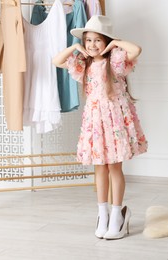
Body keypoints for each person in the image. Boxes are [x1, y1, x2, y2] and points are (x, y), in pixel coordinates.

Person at [53, 15, 148, 240]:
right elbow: (57, 61)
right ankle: (102, 214)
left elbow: (136, 50)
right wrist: (75, 46)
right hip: (95, 122)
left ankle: (118, 214)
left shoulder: (115, 60)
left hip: (114, 121)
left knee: (115, 167)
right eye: (88, 41)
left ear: (106, 41)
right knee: (99, 168)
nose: (92, 45)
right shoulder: (83, 63)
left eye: (97, 40)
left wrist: (116, 43)